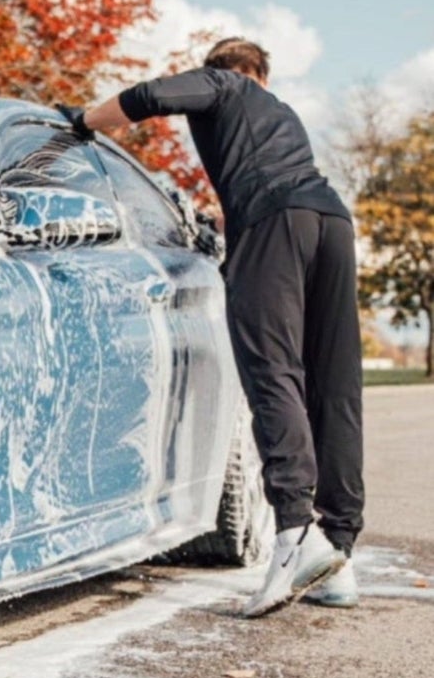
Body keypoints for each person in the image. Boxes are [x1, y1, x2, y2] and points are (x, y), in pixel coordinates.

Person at [75, 37, 363, 617]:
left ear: (235, 72)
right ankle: (340, 549)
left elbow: (150, 95)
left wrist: (83, 120)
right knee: (334, 385)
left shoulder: (225, 85)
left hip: (273, 222)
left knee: (271, 370)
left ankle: (292, 533)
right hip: (332, 221)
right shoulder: (284, 114)